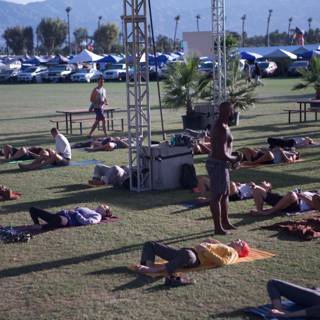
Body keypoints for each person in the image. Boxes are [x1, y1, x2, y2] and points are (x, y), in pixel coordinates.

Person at [136, 238, 250, 286]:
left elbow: (222, 262)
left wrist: (205, 250)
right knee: (150, 244)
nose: (239, 240)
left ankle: (156, 270)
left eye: (241, 243)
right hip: (186, 252)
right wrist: (209, 242)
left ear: (241, 251)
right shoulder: (225, 246)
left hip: (194, 258)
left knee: (187, 255)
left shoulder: (234, 253)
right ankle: (149, 267)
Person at [206, 101, 243, 235]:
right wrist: (236, 158)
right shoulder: (221, 128)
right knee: (217, 196)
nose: (233, 113)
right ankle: (218, 228)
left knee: (225, 194)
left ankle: (225, 222)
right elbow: (221, 153)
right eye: (232, 110)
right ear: (228, 112)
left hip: (221, 163)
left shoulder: (224, 125)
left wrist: (231, 158)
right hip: (217, 164)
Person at [29, 204, 112, 229]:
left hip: (67, 220)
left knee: (58, 220)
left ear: (104, 213)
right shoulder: (91, 210)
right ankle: (36, 224)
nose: (102, 205)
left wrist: (76, 213)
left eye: (105, 207)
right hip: (60, 215)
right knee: (33, 208)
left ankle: (41, 227)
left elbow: (87, 222)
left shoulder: (97, 216)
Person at [250, 185, 320, 215]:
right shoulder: (315, 192)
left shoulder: (317, 196)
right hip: (286, 199)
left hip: (296, 205)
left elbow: (315, 206)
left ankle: (269, 211)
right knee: (257, 190)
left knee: (291, 194)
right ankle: (260, 211)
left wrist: (301, 196)